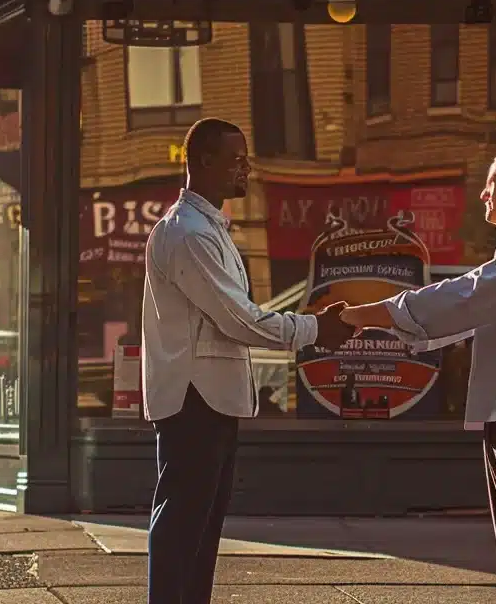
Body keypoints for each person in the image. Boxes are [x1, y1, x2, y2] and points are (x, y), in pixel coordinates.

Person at [341, 144, 496, 604]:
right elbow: (475, 307)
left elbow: (472, 295)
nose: (483, 197)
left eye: (491, 186)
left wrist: (375, 313)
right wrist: (390, 319)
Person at [142, 117, 353, 604]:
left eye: (246, 158)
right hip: (193, 399)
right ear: (203, 162)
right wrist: (316, 329)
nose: (246, 168)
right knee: (182, 528)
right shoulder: (189, 235)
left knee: (199, 532)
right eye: (236, 159)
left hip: (211, 398)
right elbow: (240, 319)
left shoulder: (208, 228)